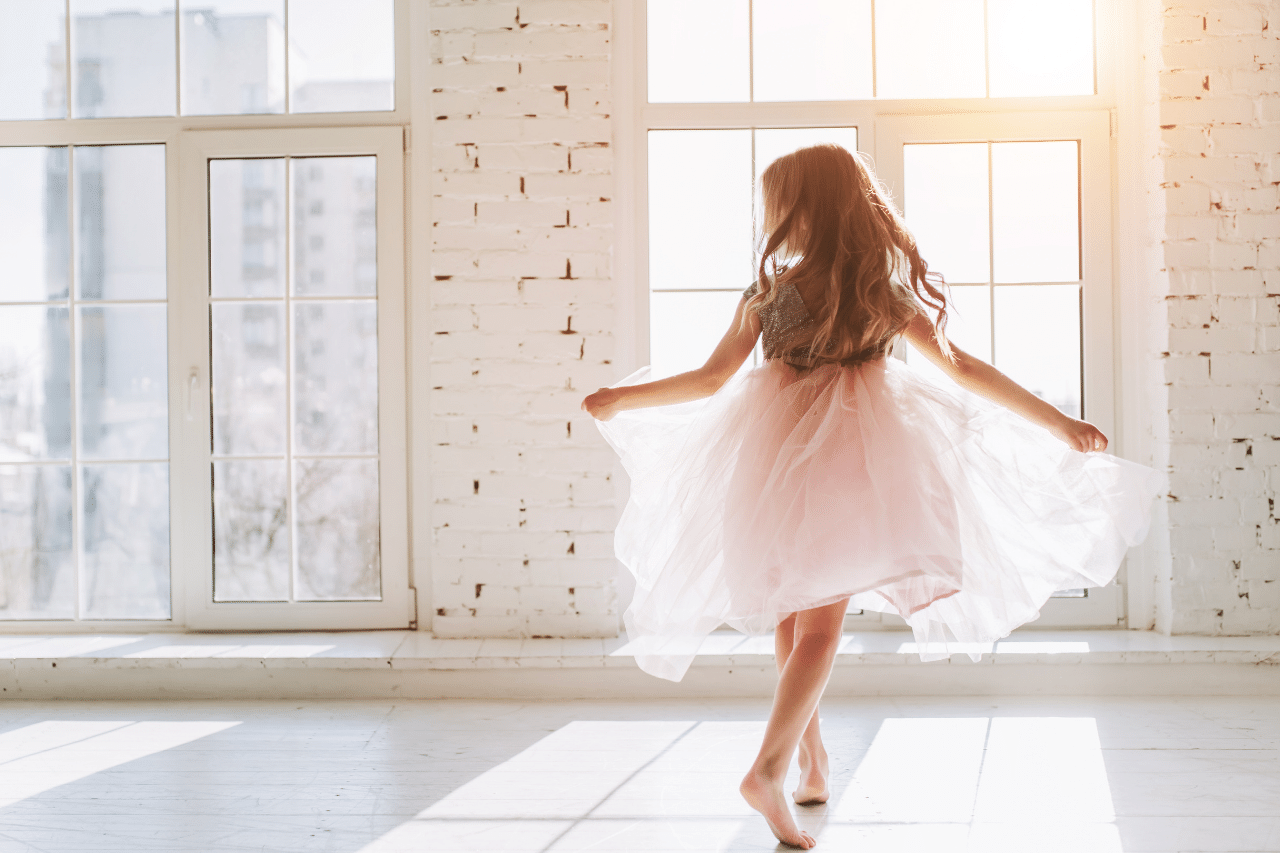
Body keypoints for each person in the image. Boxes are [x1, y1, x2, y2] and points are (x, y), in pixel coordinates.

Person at [580, 144, 1160, 849]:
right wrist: (1059, 421)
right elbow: (962, 367)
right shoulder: (877, 290)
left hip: (782, 465)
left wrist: (622, 397)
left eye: (776, 206)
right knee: (810, 624)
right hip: (856, 465)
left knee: (802, 623)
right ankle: (795, 763)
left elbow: (710, 380)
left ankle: (787, 762)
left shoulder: (773, 292)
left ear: (802, 211)